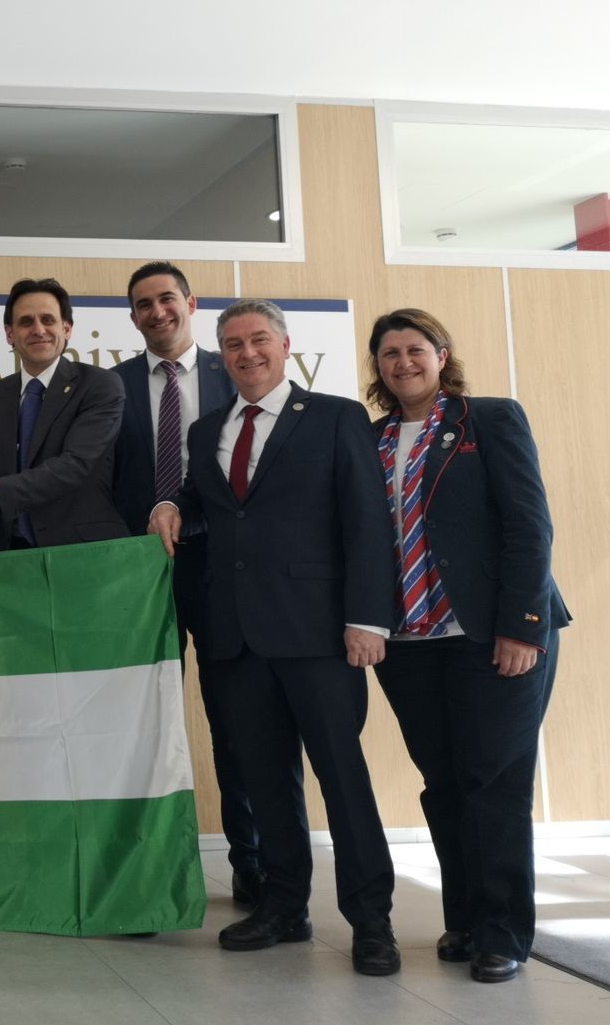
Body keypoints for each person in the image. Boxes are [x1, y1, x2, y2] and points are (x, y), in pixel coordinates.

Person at [150, 298, 400, 976]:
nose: (247, 353)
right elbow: (206, 502)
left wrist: (368, 619)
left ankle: (371, 920)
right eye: (233, 344)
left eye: (259, 339)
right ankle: (285, 907)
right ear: (221, 355)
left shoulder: (336, 417)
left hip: (319, 633)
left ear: (285, 347)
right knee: (265, 781)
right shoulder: (207, 429)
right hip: (235, 637)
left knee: (342, 778)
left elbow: (367, 521)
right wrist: (169, 501)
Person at [365, 308, 569, 983]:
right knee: (445, 784)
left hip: (492, 635)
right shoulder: (370, 439)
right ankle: (464, 918)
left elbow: (529, 526)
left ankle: (501, 932)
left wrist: (523, 626)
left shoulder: (489, 419)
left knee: (494, 783)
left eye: (415, 349)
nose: (403, 362)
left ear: (441, 355)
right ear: (378, 366)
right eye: (390, 353)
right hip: (410, 641)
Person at [110, 262, 262, 909]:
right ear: (133, 317)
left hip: (226, 571)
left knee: (237, 722)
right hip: (140, 575)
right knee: (143, 724)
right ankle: (151, 872)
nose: (157, 312)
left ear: (191, 304)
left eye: (167, 299)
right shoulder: (111, 387)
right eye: (143, 304)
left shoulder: (238, 374)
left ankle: (253, 866)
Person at [0, 278, 127, 550]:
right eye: (26, 322)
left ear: (66, 328)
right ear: (10, 334)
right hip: (9, 554)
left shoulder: (100, 385)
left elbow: (74, 466)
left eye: (48, 320)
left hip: (83, 552)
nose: (38, 329)